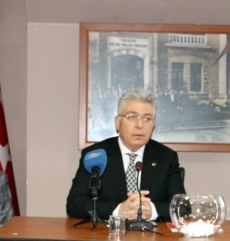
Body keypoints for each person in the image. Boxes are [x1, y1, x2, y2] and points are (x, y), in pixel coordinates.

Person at [66, 88, 185, 221]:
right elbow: (74, 204)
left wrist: (152, 211)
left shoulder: (166, 157)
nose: (139, 125)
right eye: (131, 117)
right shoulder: (96, 155)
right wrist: (118, 210)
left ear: (153, 124)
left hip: (152, 232)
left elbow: (182, 206)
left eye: (147, 118)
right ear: (118, 122)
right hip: (107, 233)